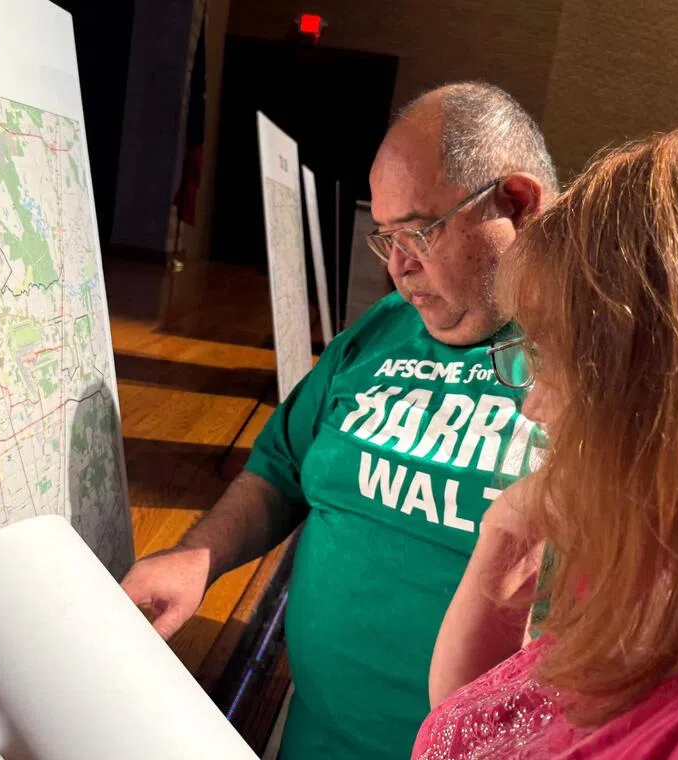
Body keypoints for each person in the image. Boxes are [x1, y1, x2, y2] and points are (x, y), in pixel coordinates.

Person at [120, 82, 557, 759]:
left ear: (519, 204)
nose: (400, 267)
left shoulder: (594, 371)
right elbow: (280, 468)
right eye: (386, 238)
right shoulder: (382, 328)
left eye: (419, 231)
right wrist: (197, 559)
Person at [415, 123, 678, 759]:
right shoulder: (672, 559)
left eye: (551, 355)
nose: (534, 404)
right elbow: (474, 727)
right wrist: (505, 534)